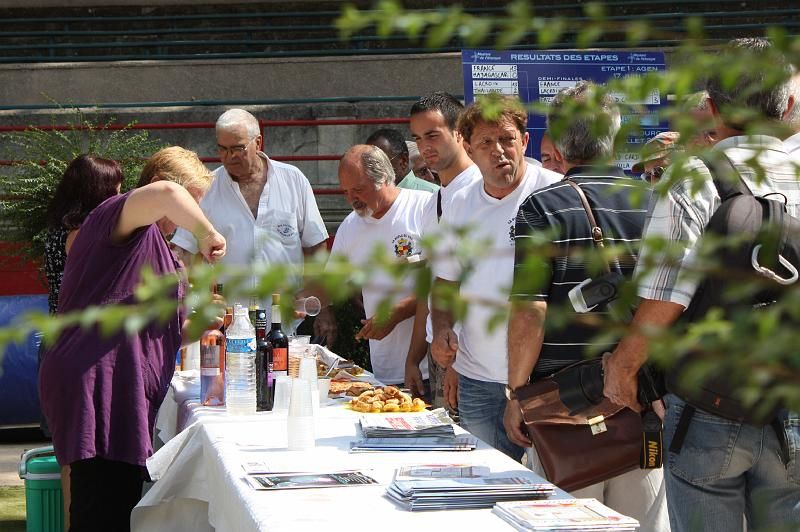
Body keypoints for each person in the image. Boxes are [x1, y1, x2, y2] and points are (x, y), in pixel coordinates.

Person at [603, 38, 800, 531]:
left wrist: (623, 368)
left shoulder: (694, 177)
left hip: (708, 404)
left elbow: (664, 295)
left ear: (711, 109)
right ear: (789, 106)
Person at [503, 81, 669, 530]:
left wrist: (516, 394)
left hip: (562, 405)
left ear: (553, 143)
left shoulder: (543, 207)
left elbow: (528, 312)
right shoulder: (656, 203)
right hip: (642, 398)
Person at [39, 146, 226, 532]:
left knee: (117, 502)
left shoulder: (159, 247)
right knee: (98, 507)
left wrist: (204, 322)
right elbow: (166, 195)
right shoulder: (115, 216)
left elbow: (163, 333)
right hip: (95, 381)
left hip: (121, 384)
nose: (188, 218)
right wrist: (206, 232)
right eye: (193, 202)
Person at [430, 96, 560, 459]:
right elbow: (445, 284)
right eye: (486, 143)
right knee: (485, 491)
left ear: (525, 141)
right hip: (477, 382)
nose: (499, 151)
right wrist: (443, 333)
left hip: (543, 382)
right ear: (468, 148)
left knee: (543, 498)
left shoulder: (555, 193)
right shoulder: (458, 204)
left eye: (507, 139)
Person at [171, 109, 328, 315]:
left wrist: (308, 293)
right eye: (223, 149)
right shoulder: (206, 188)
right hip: (227, 321)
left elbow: (316, 245)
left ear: (258, 142)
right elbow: (183, 252)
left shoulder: (293, 180)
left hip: (284, 319)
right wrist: (200, 297)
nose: (230, 157)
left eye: (238, 148)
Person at [41, 154, 125, 527]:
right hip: (76, 349)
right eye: (116, 187)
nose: (121, 195)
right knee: (82, 453)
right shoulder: (84, 235)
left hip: (59, 345)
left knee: (72, 453)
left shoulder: (59, 230)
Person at [315, 145, 430, 385]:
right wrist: (306, 303)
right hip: (383, 367)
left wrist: (397, 313)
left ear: (386, 178)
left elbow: (445, 283)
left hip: (433, 364)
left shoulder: (424, 208)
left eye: (358, 189)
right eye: (345, 192)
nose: (352, 199)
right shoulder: (351, 226)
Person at [404, 91, 481, 408]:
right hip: (441, 351)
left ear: (460, 133)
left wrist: (463, 361)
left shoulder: (483, 192)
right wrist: (416, 357)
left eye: (432, 135)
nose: (424, 147)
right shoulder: (433, 201)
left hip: (474, 356)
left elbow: (483, 284)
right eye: (418, 138)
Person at [366, 128, 439, 192]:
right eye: (368, 164)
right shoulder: (366, 197)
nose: (431, 177)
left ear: (403, 162)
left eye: (380, 163)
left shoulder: (433, 195)